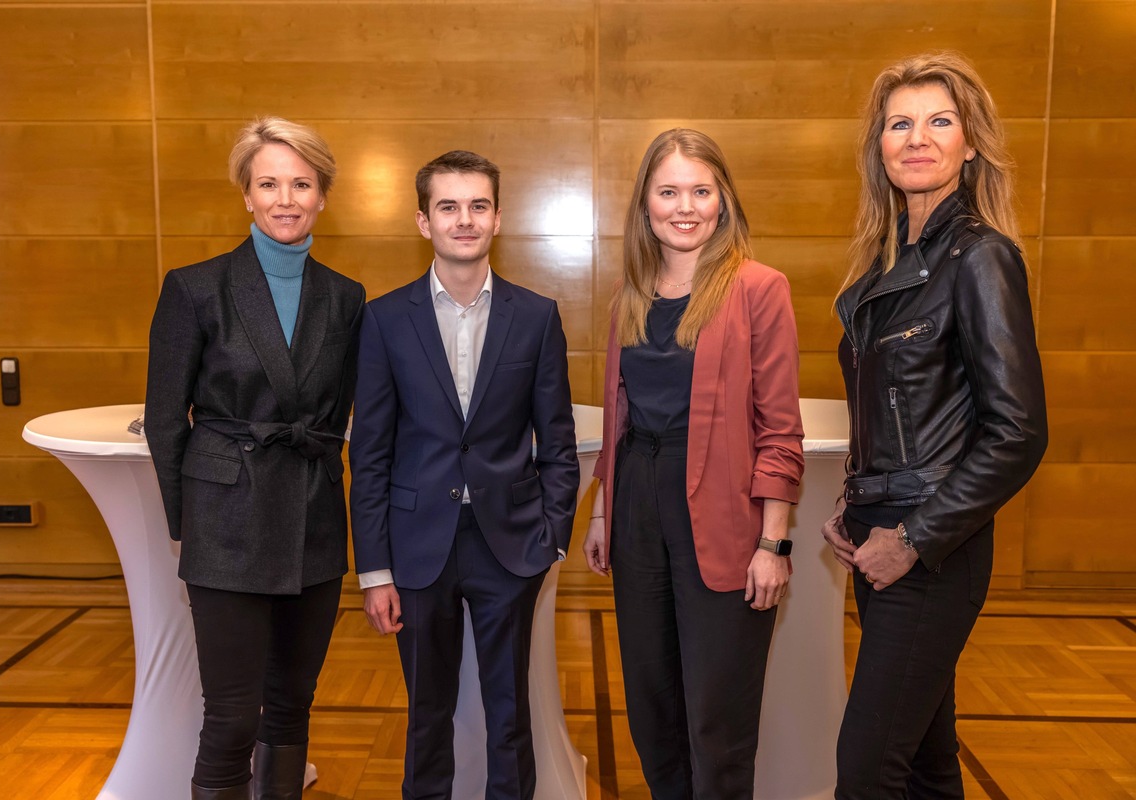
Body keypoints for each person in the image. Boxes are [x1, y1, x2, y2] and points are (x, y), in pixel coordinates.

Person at [821, 52, 1048, 799]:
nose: (918, 138)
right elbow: (897, 413)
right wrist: (852, 500)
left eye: (939, 121)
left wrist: (914, 536)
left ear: (970, 144)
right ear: (880, 147)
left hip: (931, 547)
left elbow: (1017, 431)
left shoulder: (981, 257)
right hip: (877, 534)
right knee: (922, 761)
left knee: (866, 769)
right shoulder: (886, 270)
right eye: (900, 124)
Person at [145, 117, 364, 800]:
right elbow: (163, 417)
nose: (286, 198)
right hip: (226, 520)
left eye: (301, 183)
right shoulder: (194, 288)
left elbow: (347, 411)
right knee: (233, 715)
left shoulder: (347, 297)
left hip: (313, 516)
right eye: (268, 183)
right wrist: (188, 520)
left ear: (323, 195)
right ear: (245, 194)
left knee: (293, 705)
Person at [582, 128, 805, 800]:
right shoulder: (630, 295)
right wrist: (601, 510)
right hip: (638, 512)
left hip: (724, 516)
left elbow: (780, 428)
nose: (686, 206)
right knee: (651, 707)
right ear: (645, 204)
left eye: (701, 191)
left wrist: (774, 542)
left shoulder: (758, 289)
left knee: (717, 717)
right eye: (669, 191)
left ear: (722, 200)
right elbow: (617, 414)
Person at [349, 150, 579, 800]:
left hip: (510, 546)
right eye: (448, 206)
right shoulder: (385, 320)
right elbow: (369, 453)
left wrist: (552, 538)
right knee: (426, 717)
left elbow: (556, 441)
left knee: (510, 716)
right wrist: (374, 570)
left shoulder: (535, 318)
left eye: (478, 205)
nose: (464, 219)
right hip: (416, 547)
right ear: (423, 221)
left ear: (498, 217)